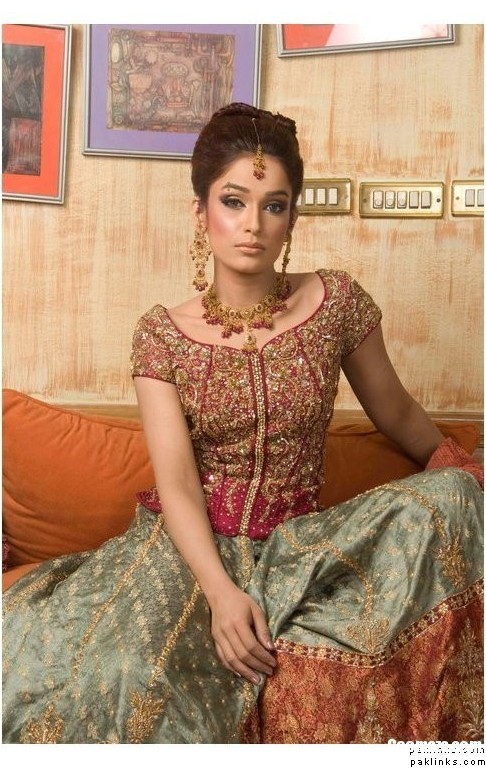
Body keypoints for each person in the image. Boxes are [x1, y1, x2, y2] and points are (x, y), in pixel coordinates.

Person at [2, 103, 483, 745]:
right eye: (233, 202)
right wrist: (223, 596)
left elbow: (396, 412)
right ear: (200, 212)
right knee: (128, 678)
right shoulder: (162, 335)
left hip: (298, 547)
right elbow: (176, 483)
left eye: (273, 205)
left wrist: (464, 467)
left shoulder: (334, 303)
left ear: (292, 218)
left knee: (454, 496)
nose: (253, 224)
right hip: (187, 549)